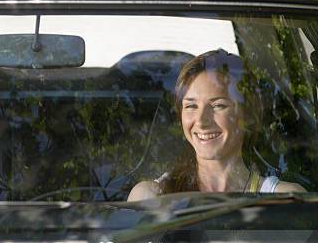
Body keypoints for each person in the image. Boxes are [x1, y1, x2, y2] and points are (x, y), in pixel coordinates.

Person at [128, 49, 305, 202]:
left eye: (218, 105)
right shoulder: (150, 197)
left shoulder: (284, 200)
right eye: (190, 106)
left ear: (249, 115)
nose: (201, 122)